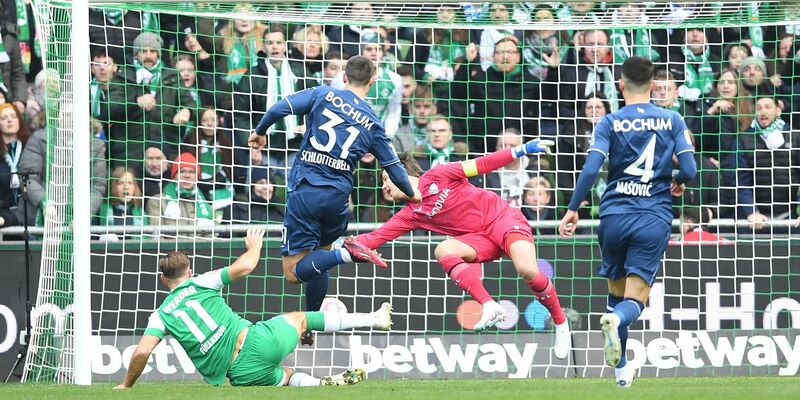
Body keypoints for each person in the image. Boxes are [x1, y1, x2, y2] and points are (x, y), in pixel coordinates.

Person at [351, 139, 572, 360]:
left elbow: (483, 164)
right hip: (480, 240)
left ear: (400, 173)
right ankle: (489, 305)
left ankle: (561, 323)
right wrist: (340, 245)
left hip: (502, 219)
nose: (383, 187)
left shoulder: (439, 174)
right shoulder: (410, 214)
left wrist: (520, 150)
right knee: (443, 249)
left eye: (386, 179)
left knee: (527, 270)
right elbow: (375, 237)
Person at [558, 56, 697, 388]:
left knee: (615, 293)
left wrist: (573, 208)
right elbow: (691, 170)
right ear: (653, 86)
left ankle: (621, 371)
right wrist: (676, 178)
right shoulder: (673, 119)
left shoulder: (609, 122)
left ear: (620, 84)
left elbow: (591, 169)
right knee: (634, 300)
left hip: (614, 216)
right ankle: (616, 321)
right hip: (653, 216)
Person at [247, 56, 418, 322]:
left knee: (293, 273)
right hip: (339, 198)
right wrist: (412, 193)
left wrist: (260, 131)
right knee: (320, 256)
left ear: (344, 77)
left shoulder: (324, 94)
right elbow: (394, 167)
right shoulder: (373, 123)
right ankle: (313, 321)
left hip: (306, 190)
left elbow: (280, 108)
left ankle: (346, 253)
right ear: (372, 82)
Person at [114, 228, 391, 388]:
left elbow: (142, 352)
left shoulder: (160, 315)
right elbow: (246, 266)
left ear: (164, 280)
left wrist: (127, 385)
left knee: (285, 377)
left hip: (239, 373)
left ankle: (321, 386)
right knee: (301, 319)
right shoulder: (200, 283)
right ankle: (375, 319)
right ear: (189, 272)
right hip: (255, 343)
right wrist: (254, 246)